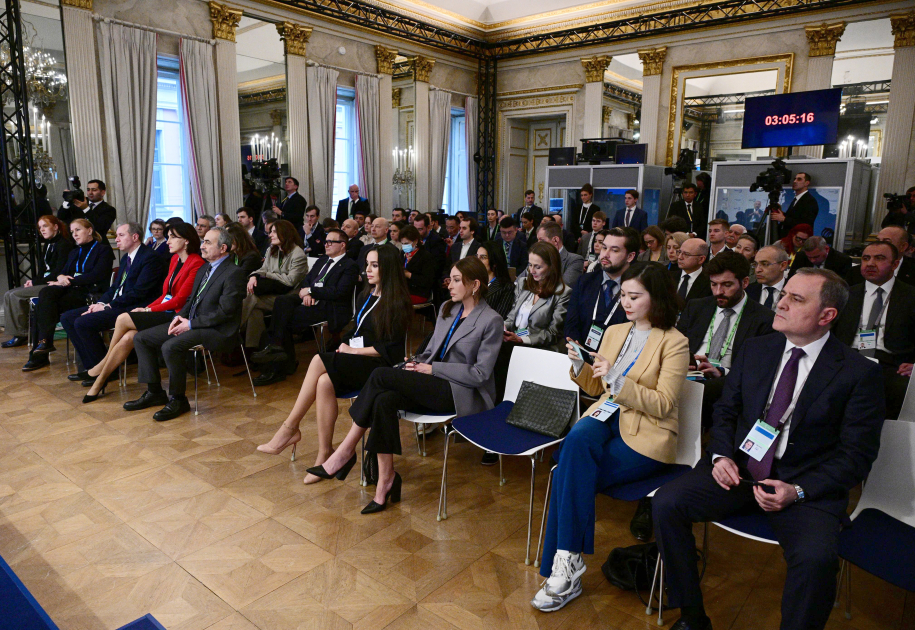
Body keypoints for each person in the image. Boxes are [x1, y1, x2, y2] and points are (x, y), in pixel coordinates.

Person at [653, 268, 884, 630]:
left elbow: (857, 455)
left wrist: (799, 490)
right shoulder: (757, 348)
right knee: (667, 502)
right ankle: (692, 616)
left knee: (816, 560)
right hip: (740, 470)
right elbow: (727, 411)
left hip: (804, 485)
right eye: (784, 293)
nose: (781, 302)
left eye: (796, 298)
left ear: (827, 315)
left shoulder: (858, 372)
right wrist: (721, 456)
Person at [531, 263, 689, 612]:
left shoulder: (675, 342)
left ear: (657, 297)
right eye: (624, 295)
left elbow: (663, 404)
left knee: (566, 474)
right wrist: (579, 365)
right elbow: (595, 388)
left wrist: (617, 379)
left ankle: (565, 566)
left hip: (647, 430)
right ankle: (567, 564)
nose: (626, 302)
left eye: (635, 296)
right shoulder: (616, 330)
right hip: (607, 415)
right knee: (578, 438)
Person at [306, 256, 503, 512]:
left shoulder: (491, 320)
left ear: (475, 285)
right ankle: (386, 479)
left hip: (459, 391)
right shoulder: (449, 308)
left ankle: (345, 451)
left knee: (380, 375)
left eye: (456, 280)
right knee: (383, 399)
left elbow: (480, 374)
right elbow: (431, 351)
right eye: (450, 280)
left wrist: (433, 368)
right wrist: (415, 363)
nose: (450, 285)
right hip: (430, 381)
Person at [257, 246, 410, 483]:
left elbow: (392, 350)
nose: (367, 270)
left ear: (388, 268)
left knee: (319, 359)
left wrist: (353, 350)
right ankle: (324, 452)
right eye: (367, 264)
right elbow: (358, 330)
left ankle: (290, 428)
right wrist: (346, 345)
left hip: (380, 366)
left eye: (375, 265)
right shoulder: (367, 294)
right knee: (324, 382)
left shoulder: (397, 302)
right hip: (358, 358)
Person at [126, 226, 248, 421]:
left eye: (208, 242)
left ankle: (178, 399)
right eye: (203, 241)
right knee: (141, 338)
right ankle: (154, 392)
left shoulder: (234, 273)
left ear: (223, 248)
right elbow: (191, 300)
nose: (202, 246)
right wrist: (179, 317)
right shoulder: (205, 268)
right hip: (194, 323)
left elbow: (225, 313)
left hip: (217, 329)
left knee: (170, 346)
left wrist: (190, 324)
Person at [81, 223, 205, 402]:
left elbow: (179, 300)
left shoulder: (196, 262)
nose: (167, 241)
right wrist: (147, 308)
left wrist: (148, 309)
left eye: (172, 237)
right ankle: (100, 381)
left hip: (178, 314)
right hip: (165, 309)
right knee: (129, 337)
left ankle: (103, 365)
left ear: (186, 240)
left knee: (123, 318)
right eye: (168, 237)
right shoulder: (174, 260)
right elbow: (164, 294)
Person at [677, 250, 775, 423]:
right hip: (690, 374)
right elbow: (676, 344)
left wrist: (722, 371)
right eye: (713, 284)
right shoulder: (696, 307)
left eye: (727, 285)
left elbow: (757, 370)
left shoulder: (763, 318)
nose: (718, 292)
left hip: (729, 381)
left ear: (745, 282)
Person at [252, 229, 359, 384]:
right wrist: (308, 293)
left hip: (328, 306)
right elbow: (307, 280)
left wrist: (311, 291)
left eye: (331, 242)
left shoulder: (350, 266)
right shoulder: (323, 260)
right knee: (282, 301)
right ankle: (278, 352)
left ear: (342, 245)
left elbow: (339, 292)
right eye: (326, 242)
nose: (326, 245)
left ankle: (278, 363)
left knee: (280, 320)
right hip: (310, 299)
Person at [60, 222, 167, 373]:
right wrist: (100, 303)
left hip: (135, 307)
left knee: (83, 323)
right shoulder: (126, 258)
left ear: (135, 237)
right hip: (118, 304)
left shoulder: (150, 258)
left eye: (121, 235)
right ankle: (90, 367)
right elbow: (114, 288)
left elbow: (139, 292)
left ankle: (105, 370)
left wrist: (108, 306)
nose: (116, 239)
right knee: (67, 318)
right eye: (117, 235)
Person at [833, 241, 915, 419]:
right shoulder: (845, 294)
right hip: (848, 358)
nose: (870, 263)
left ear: (895, 264)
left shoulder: (910, 296)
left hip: (892, 364)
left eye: (879, 258)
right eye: (865, 258)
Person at [22, 219, 115, 372]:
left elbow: (97, 275)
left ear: (89, 230)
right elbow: (62, 272)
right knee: (45, 293)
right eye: (72, 232)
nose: (74, 234)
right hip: (71, 290)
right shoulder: (74, 252)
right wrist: (60, 278)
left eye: (78, 230)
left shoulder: (103, 250)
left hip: (89, 293)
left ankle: (40, 352)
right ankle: (44, 344)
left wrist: (69, 281)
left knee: (43, 308)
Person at [2, 216, 74, 348]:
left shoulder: (64, 244)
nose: (42, 230)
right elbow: (42, 270)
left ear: (55, 227)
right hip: (44, 281)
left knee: (14, 295)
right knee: (8, 294)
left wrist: (36, 283)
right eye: (40, 227)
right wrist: (33, 281)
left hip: (54, 284)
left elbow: (58, 272)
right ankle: (19, 333)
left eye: (45, 226)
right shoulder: (48, 244)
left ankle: (21, 334)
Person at [566, 227, 637, 351]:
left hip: (618, 358)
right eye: (604, 248)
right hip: (582, 354)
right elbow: (571, 322)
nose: (605, 255)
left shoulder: (639, 289)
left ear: (630, 256)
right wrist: (576, 348)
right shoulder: (585, 281)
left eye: (614, 250)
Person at [242, 220, 309, 349]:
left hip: (288, 297)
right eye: (270, 232)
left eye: (274, 232)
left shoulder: (298, 254)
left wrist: (268, 274)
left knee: (251, 298)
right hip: (273, 292)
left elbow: (290, 281)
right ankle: (255, 348)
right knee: (254, 311)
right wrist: (253, 276)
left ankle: (232, 329)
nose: (270, 235)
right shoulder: (271, 250)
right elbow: (263, 269)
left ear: (285, 233)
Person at [848, 226, 915, 287]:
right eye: (877, 241)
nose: (880, 245)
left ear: (903, 246)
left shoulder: (912, 269)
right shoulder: (856, 272)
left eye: (886, 242)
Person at [771, 172, 819, 240]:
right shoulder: (797, 199)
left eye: (799, 179)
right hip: (788, 239)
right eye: (794, 179)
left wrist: (784, 219)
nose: (795, 181)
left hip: (798, 240)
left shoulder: (810, 201)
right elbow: (794, 217)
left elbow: (806, 224)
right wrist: (782, 214)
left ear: (807, 183)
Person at [536, 220, 584, 288]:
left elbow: (564, 287)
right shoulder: (536, 258)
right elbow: (522, 280)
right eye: (538, 240)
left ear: (555, 240)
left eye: (542, 240)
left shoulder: (574, 260)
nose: (538, 244)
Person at [477, 240, 515, 319]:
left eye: (483, 257)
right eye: (477, 256)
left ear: (494, 262)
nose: (477, 261)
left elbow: (498, 318)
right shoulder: (472, 282)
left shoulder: (506, 287)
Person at [400, 225, 436, 304]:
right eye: (402, 243)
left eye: (406, 243)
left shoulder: (425, 256)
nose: (404, 246)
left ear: (416, 241)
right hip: (404, 290)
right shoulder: (403, 254)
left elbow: (427, 281)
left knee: (396, 301)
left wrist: (409, 275)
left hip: (418, 292)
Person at [788, 236, 852, 279]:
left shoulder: (842, 260)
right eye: (809, 257)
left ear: (826, 249)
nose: (812, 260)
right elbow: (791, 278)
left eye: (816, 257)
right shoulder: (801, 256)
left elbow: (843, 287)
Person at [672, 238, 711, 305]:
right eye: (679, 252)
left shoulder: (710, 281)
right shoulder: (669, 277)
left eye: (686, 254)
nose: (679, 257)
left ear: (701, 259)